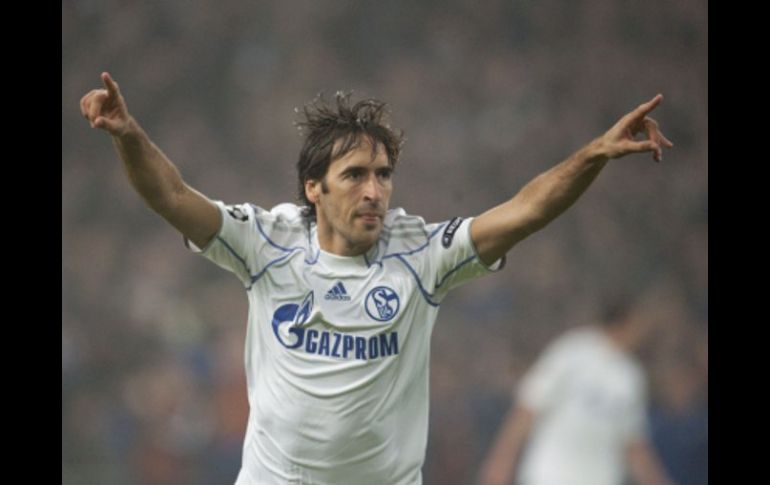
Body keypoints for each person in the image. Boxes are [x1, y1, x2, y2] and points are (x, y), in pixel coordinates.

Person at [80, 71, 673, 485]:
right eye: (356, 174)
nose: (375, 191)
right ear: (314, 187)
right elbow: (172, 195)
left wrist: (593, 154)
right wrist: (130, 136)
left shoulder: (420, 254)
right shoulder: (267, 241)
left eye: (384, 175)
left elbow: (524, 211)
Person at [477, 300, 675, 485]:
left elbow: (633, 445)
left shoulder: (631, 377)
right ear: (625, 321)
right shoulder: (572, 351)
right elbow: (528, 407)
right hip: (550, 475)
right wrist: (500, 463)